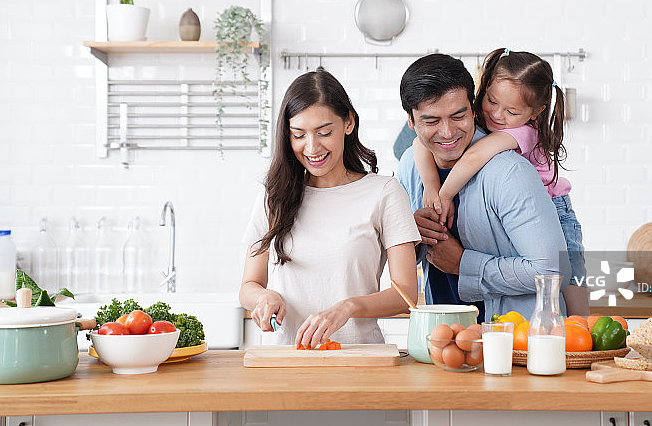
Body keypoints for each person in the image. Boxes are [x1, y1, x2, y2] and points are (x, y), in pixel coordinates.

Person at [240, 70, 420, 349]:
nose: (311, 147)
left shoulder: (384, 192)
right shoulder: (273, 196)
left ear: (348, 122)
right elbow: (249, 285)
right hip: (287, 361)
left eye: (324, 132)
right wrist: (264, 298)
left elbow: (406, 294)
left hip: (358, 358)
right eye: (298, 134)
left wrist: (348, 307)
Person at [412, 48, 589, 316]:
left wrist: (443, 194)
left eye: (511, 110)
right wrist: (429, 187)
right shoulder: (472, 129)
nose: (497, 114)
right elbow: (418, 143)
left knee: (573, 298)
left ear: (534, 113)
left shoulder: (520, 135)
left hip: (557, 209)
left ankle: (582, 341)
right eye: (492, 101)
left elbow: (474, 158)